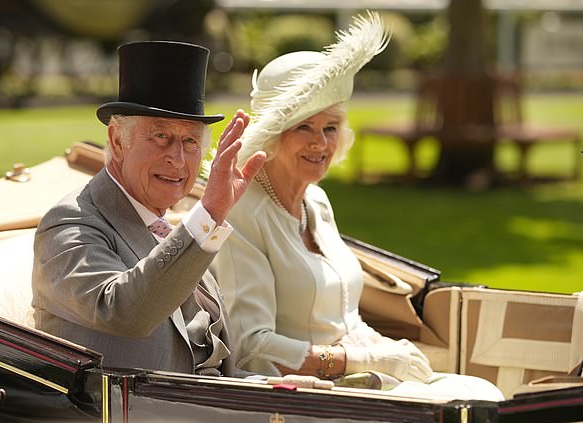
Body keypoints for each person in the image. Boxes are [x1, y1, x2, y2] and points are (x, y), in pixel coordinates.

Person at [210, 13, 504, 401]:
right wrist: (363, 358)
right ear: (273, 136)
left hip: (355, 380)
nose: (321, 144)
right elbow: (253, 348)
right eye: (304, 128)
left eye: (330, 128)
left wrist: (387, 350)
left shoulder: (316, 200)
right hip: (299, 394)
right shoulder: (242, 212)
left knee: (481, 390)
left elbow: (344, 316)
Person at [31, 40, 265, 377]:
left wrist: (271, 387)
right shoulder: (71, 223)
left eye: (190, 141)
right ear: (116, 141)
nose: (178, 159)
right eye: (161, 136)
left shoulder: (171, 226)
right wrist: (210, 212)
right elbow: (124, 311)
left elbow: (207, 368)